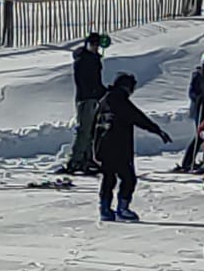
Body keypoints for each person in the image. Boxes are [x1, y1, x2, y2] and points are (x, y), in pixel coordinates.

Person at [93, 72, 171, 222]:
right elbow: (137, 117)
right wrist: (157, 130)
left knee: (109, 178)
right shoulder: (120, 100)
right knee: (128, 179)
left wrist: (94, 150)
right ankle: (122, 209)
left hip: (102, 147)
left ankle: (105, 209)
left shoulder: (104, 101)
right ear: (127, 87)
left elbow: (94, 126)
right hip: (118, 146)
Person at [59, 32, 108, 176]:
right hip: (86, 98)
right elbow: (85, 81)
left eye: (97, 45)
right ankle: (76, 160)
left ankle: (87, 157)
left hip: (93, 97)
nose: (95, 47)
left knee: (92, 130)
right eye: (92, 44)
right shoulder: (84, 60)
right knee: (84, 130)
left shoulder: (94, 59)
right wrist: (96, 91)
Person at [175, 54, 204, 173]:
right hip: (199, 109)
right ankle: (187, 162)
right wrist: (197, 98)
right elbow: (191, 92)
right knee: (201, 135)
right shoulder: (197, 76)